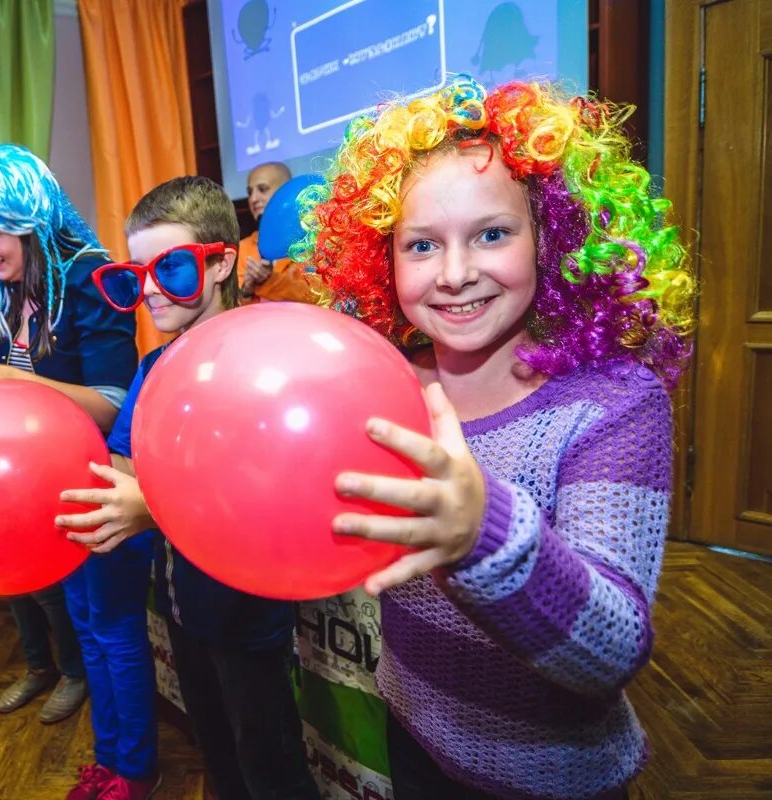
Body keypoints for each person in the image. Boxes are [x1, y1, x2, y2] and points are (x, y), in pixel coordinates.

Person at [296, 75, 695, 799]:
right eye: (420, 245)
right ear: (381, 260)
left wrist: (481, 532)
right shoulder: (382, 384)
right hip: (412, 736)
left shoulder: (612, 403)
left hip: (554, 777)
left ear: (551, 237)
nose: (454, 274)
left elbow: (611, 651)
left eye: (490, 233)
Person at [58, 175, 321, 800]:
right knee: (220, 758)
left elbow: (277, 487)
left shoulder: (267, 357)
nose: (149, 289)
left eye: (169, 267)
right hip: (181, 605)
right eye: (135, 273)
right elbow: (120, 465)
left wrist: (149, 505)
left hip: (247, 613)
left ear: (223, 260)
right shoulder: (154, 368)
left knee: (269, 765)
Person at [0, 144, 138, 734]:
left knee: (112, 631)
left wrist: (5, 377)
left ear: (32, 219)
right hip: (56, 489)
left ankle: (134, 769)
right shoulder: (21, 285)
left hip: (101, 489)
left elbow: (114, 403)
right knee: (82, 621)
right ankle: (110, 757)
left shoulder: (90, 276)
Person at [236, 161, 317, 304]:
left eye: (263, 189)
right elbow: (231, 313)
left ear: (285, 193)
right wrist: (247, 291)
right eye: (250, 192)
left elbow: (318, 298)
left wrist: (270, 281)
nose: (253, 199)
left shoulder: (312, 245)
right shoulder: (242, 250)